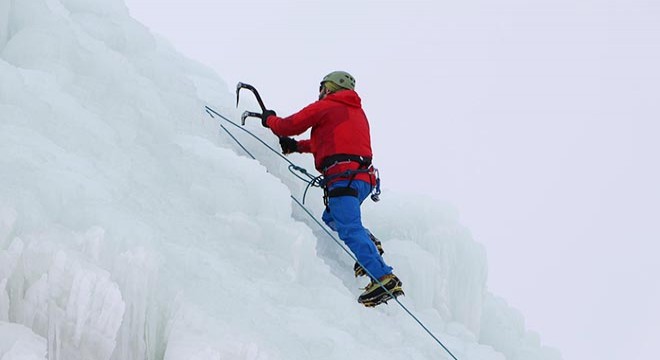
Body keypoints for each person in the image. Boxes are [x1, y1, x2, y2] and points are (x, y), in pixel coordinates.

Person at [261, 71, 404, 307]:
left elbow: (290, 125)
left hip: (343, 177)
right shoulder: (355, 111)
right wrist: (296, 147)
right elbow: (330, 142)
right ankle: (370, 245)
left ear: (329, 88)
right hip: (362, 179)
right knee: (332, 217)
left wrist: (270, 121)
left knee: (348, 227)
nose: (319, 93)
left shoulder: (327, 105)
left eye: (321, 88)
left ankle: (383, 277)